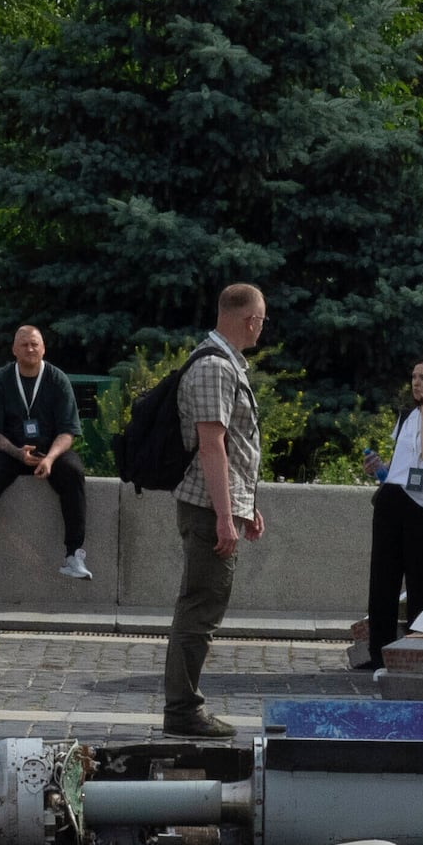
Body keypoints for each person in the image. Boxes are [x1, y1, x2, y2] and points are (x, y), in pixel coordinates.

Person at [160, 281, 266, 740]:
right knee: (199, 608)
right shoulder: (215, 367)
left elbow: (233, 448)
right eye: (262, 318)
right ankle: (183, 710)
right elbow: (211, 445)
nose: (262, 326)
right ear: (250, 320)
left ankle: (184, 707)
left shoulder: (224, 364)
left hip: (217, 504)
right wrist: (225, 516)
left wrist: (246, 505)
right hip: (206, 507)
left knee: (202, 605)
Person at [0, 326, 84, 576]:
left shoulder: (57, 379)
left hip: (50, 453)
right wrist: (17, 452)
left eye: (35, 344)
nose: (30, 349)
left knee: (73, 471)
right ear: (14, 349)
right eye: (24, 344)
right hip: (12, 451)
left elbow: (68, 432)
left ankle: (74, 555)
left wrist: (50, 458)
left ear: (43, 348)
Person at [363, 354, 423, 647]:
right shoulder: (407, 416)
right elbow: (400, 466)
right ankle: (379, 649)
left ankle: (417, 648)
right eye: (414, 377)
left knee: (421, 583)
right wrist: (379, 469)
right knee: (383, 580)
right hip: (394, 498)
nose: (416, 383)